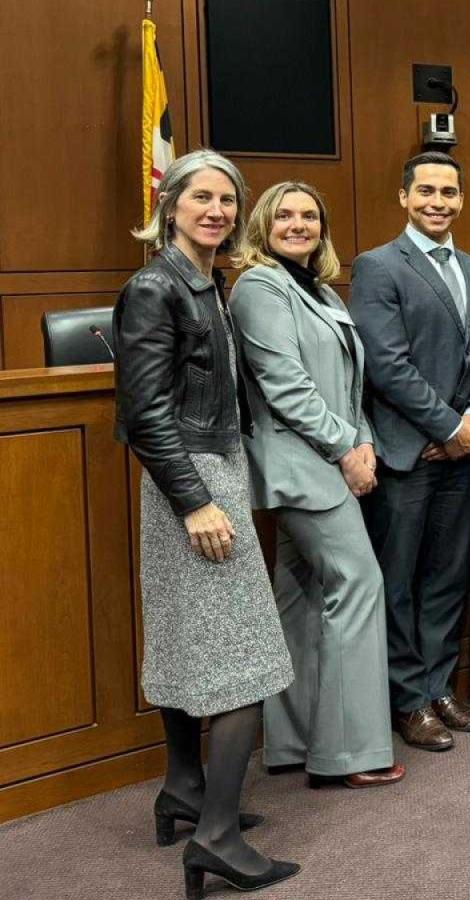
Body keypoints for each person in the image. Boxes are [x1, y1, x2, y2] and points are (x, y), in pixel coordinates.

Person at [114, 149, 298, 896]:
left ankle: (186, 793)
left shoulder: (205, 280)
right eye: (202, 198)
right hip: (192, 483)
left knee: (197, 646)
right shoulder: (155, 287)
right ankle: (216, 837)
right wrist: (196, 502)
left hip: (204, 472)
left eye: (228, 199)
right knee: (245, 655)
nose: (217, 210)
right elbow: (144, 413)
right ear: (170, 206)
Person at [231, 182, 403, 788]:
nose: (298, 224)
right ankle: (348, 753)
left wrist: (362, 442)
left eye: (310, 215)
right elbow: (284, 385)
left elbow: (349, 381)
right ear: (263, 225)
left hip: (332, 457)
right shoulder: (257, 286)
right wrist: (344, 448)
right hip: (298, 464)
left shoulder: (320, 288)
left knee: (302, 596)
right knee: (358, 583)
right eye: (285, 215)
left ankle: (296, 741)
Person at [349, 151, 470, 750]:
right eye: (427, 191)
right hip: (408, 454)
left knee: (446, 577)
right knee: (400, 582)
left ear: (462, 199)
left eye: (449, 192)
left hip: (461, 452)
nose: (439, 201)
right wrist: (444, 427)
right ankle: (407, 701)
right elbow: (386, 364)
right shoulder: (378, 266)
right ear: (403, 197)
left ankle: (437, 689)